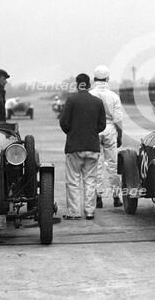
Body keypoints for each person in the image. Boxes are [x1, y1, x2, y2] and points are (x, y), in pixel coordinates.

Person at [60, 73, 106, 220]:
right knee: (90, 181)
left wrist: (72, 132)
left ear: (77, 84)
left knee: (73, 181)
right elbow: (102, 125)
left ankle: (74, 212)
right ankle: (90, 212)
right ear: (89, 84)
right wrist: (91, 132)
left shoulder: (71, 100)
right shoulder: (98, 102)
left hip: (74, 147)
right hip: (92, 147)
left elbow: (64, 122)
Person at [89, 65, 124, 208]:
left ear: (94, 78)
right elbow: (118, 120)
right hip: (110, 129)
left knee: (95, 165)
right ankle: (116, 197)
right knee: (112, 165)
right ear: (108, 79)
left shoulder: (90, 95)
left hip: (94, 129)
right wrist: (119, 136)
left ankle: (98, 197)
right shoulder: (114, 96)